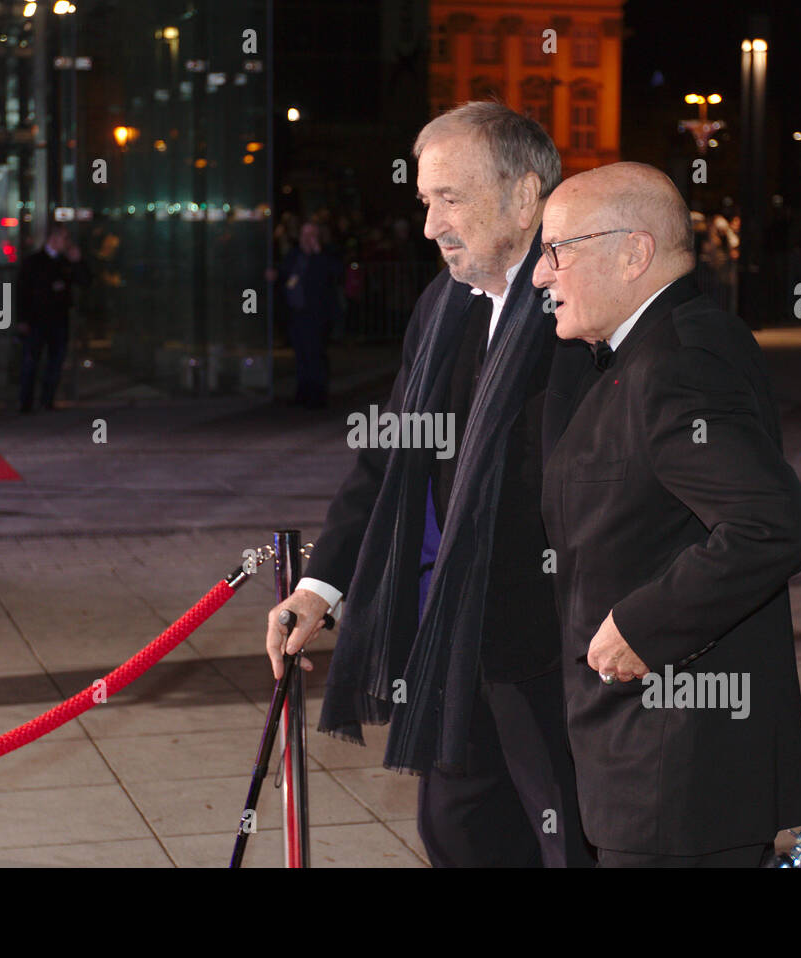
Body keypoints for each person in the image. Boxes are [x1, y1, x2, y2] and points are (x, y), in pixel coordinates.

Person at [264, 102, 594, 867]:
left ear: (524, 196)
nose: (429, 225)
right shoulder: (442, 305)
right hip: (451, 627)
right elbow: (390, 455)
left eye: (450, 199)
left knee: (569, 836)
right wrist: (321, 586)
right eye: (425, 202)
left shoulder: (582, 304)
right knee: (459, 831)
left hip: (551, 644)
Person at [531, 162, 801, 867]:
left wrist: (641, 625)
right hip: (655, 760)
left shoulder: (677, 363)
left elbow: (772, 523)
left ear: (633, 253)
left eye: (557, 250)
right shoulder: (658, 347)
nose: (542, 275)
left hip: (677, 771)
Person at [16, 220, 91, 412]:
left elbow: (85, 281)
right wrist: (22, 319)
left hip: (59, 320)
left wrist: (78, 262)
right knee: (31, 361)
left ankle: (47, 400)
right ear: (54, 238)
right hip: (37, 320)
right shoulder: (33, 262)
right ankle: (26, 402)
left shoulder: (65, 262)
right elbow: (22, 292)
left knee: (55, 362)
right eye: (64, 238)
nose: (67, 242)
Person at [276, 222, 341, 407]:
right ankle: (303, 392)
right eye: (304, 234)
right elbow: (284, 274)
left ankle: (317, 394)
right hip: (296, 313)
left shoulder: (326, 254)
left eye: (311, 235)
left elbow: (336, 273)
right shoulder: (295, 254)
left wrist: (318, 252)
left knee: (315, 354)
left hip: (317, 314)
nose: (307, 239)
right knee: (301, 354)